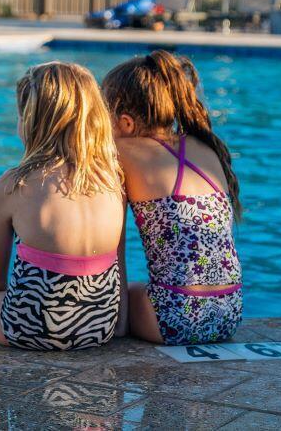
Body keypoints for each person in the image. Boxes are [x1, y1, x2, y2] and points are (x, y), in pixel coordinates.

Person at [0, 61, 126, 350]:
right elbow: (119, 268)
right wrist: (118, 328)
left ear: (33, 121)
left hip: (35, 328)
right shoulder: (112, 180)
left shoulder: (14, 185)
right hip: (101, 326)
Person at [101, 50, 243, 346]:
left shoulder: (123, 152)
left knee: (125, 293)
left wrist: (120, 326)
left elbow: (115, 250)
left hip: (174, 322)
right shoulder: (206, 146)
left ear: (125, 123)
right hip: (230, 313)